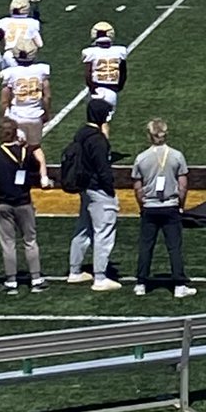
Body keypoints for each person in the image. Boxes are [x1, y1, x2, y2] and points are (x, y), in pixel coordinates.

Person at [131, 119, 196, 298]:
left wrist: (142, 206)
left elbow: (137, 188)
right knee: (174, 246)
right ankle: (179, 285)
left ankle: (141, 283)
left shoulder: (141, 158)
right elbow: (183, 185)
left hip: (150, 207)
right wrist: (180, 206)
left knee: (146, 246)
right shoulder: (177, 156)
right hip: (170, 206)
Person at [0, 116, 45, 294]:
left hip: (3, 202)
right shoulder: (25, 153)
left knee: (8, 243)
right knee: (30, 241)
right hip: (24, 201)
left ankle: (11, 281)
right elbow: (34, 170)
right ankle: (36, 279)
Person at [66, 98, 121, 291]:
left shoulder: (81, 133)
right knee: (103, 232)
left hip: (85, 189)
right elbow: (103, 168)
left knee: (83, 229)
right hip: (98, 190)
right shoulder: (98, 140)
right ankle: (100, 277)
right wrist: (110, 190)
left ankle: (74, 271)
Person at [0, 48, 52, 186]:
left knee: (17, 148)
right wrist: (46, 113)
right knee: (35, 147)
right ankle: (44, 178)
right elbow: (47, 96)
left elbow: (4, 100)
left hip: (17, 116)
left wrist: (3, 117)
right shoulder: (40, 70)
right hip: (35, 115)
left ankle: (16, 178)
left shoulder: (10, 73)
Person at [0, 0, 43, 73]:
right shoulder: (33, 22)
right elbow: (40, 44)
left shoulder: (3, 22)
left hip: (8, 55)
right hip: (26, 56)